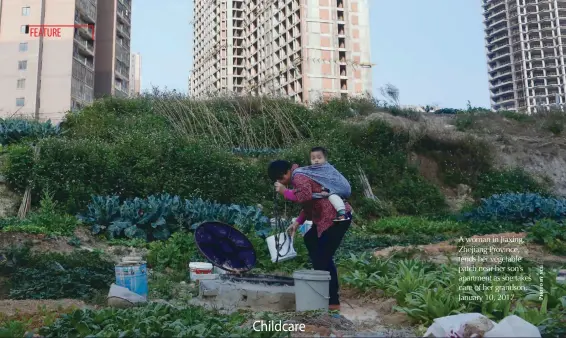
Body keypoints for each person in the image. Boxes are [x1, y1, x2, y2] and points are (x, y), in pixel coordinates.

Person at [268, 158, 353, 312]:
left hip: (336, 219)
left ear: (286, 173)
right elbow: (309, 205)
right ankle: (320, 276)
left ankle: (332, 300)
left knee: (323, 257)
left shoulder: (298, 177)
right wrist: (297, 223)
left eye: (281, 178)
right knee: (310, 239)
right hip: (325, 219)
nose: (282, 182)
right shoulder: (298, 177)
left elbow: (304, 197)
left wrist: (284, 192)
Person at [293, 147, 351, 222]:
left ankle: (342, 214)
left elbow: (332, 181)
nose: (316, 160)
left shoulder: (328, 169)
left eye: (319, 158)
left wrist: (327, 190)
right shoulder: (310, 171)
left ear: (325, 158)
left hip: (335, 191)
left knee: (333, 197)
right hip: (322, 210)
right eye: (313, 158)